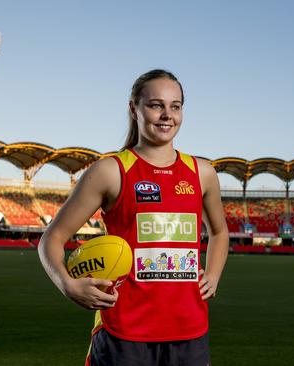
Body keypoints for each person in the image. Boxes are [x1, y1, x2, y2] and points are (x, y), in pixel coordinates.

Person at [38, 69, 229, 366]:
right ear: (134, 108)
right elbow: (52, 238)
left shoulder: (202, 173)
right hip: (124, 332)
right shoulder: (110, 171)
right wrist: (67, 284)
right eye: (156, 105)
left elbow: (219, 232)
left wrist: (213, 274)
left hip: (189, 331)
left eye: (175, 106)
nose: (167, 115)